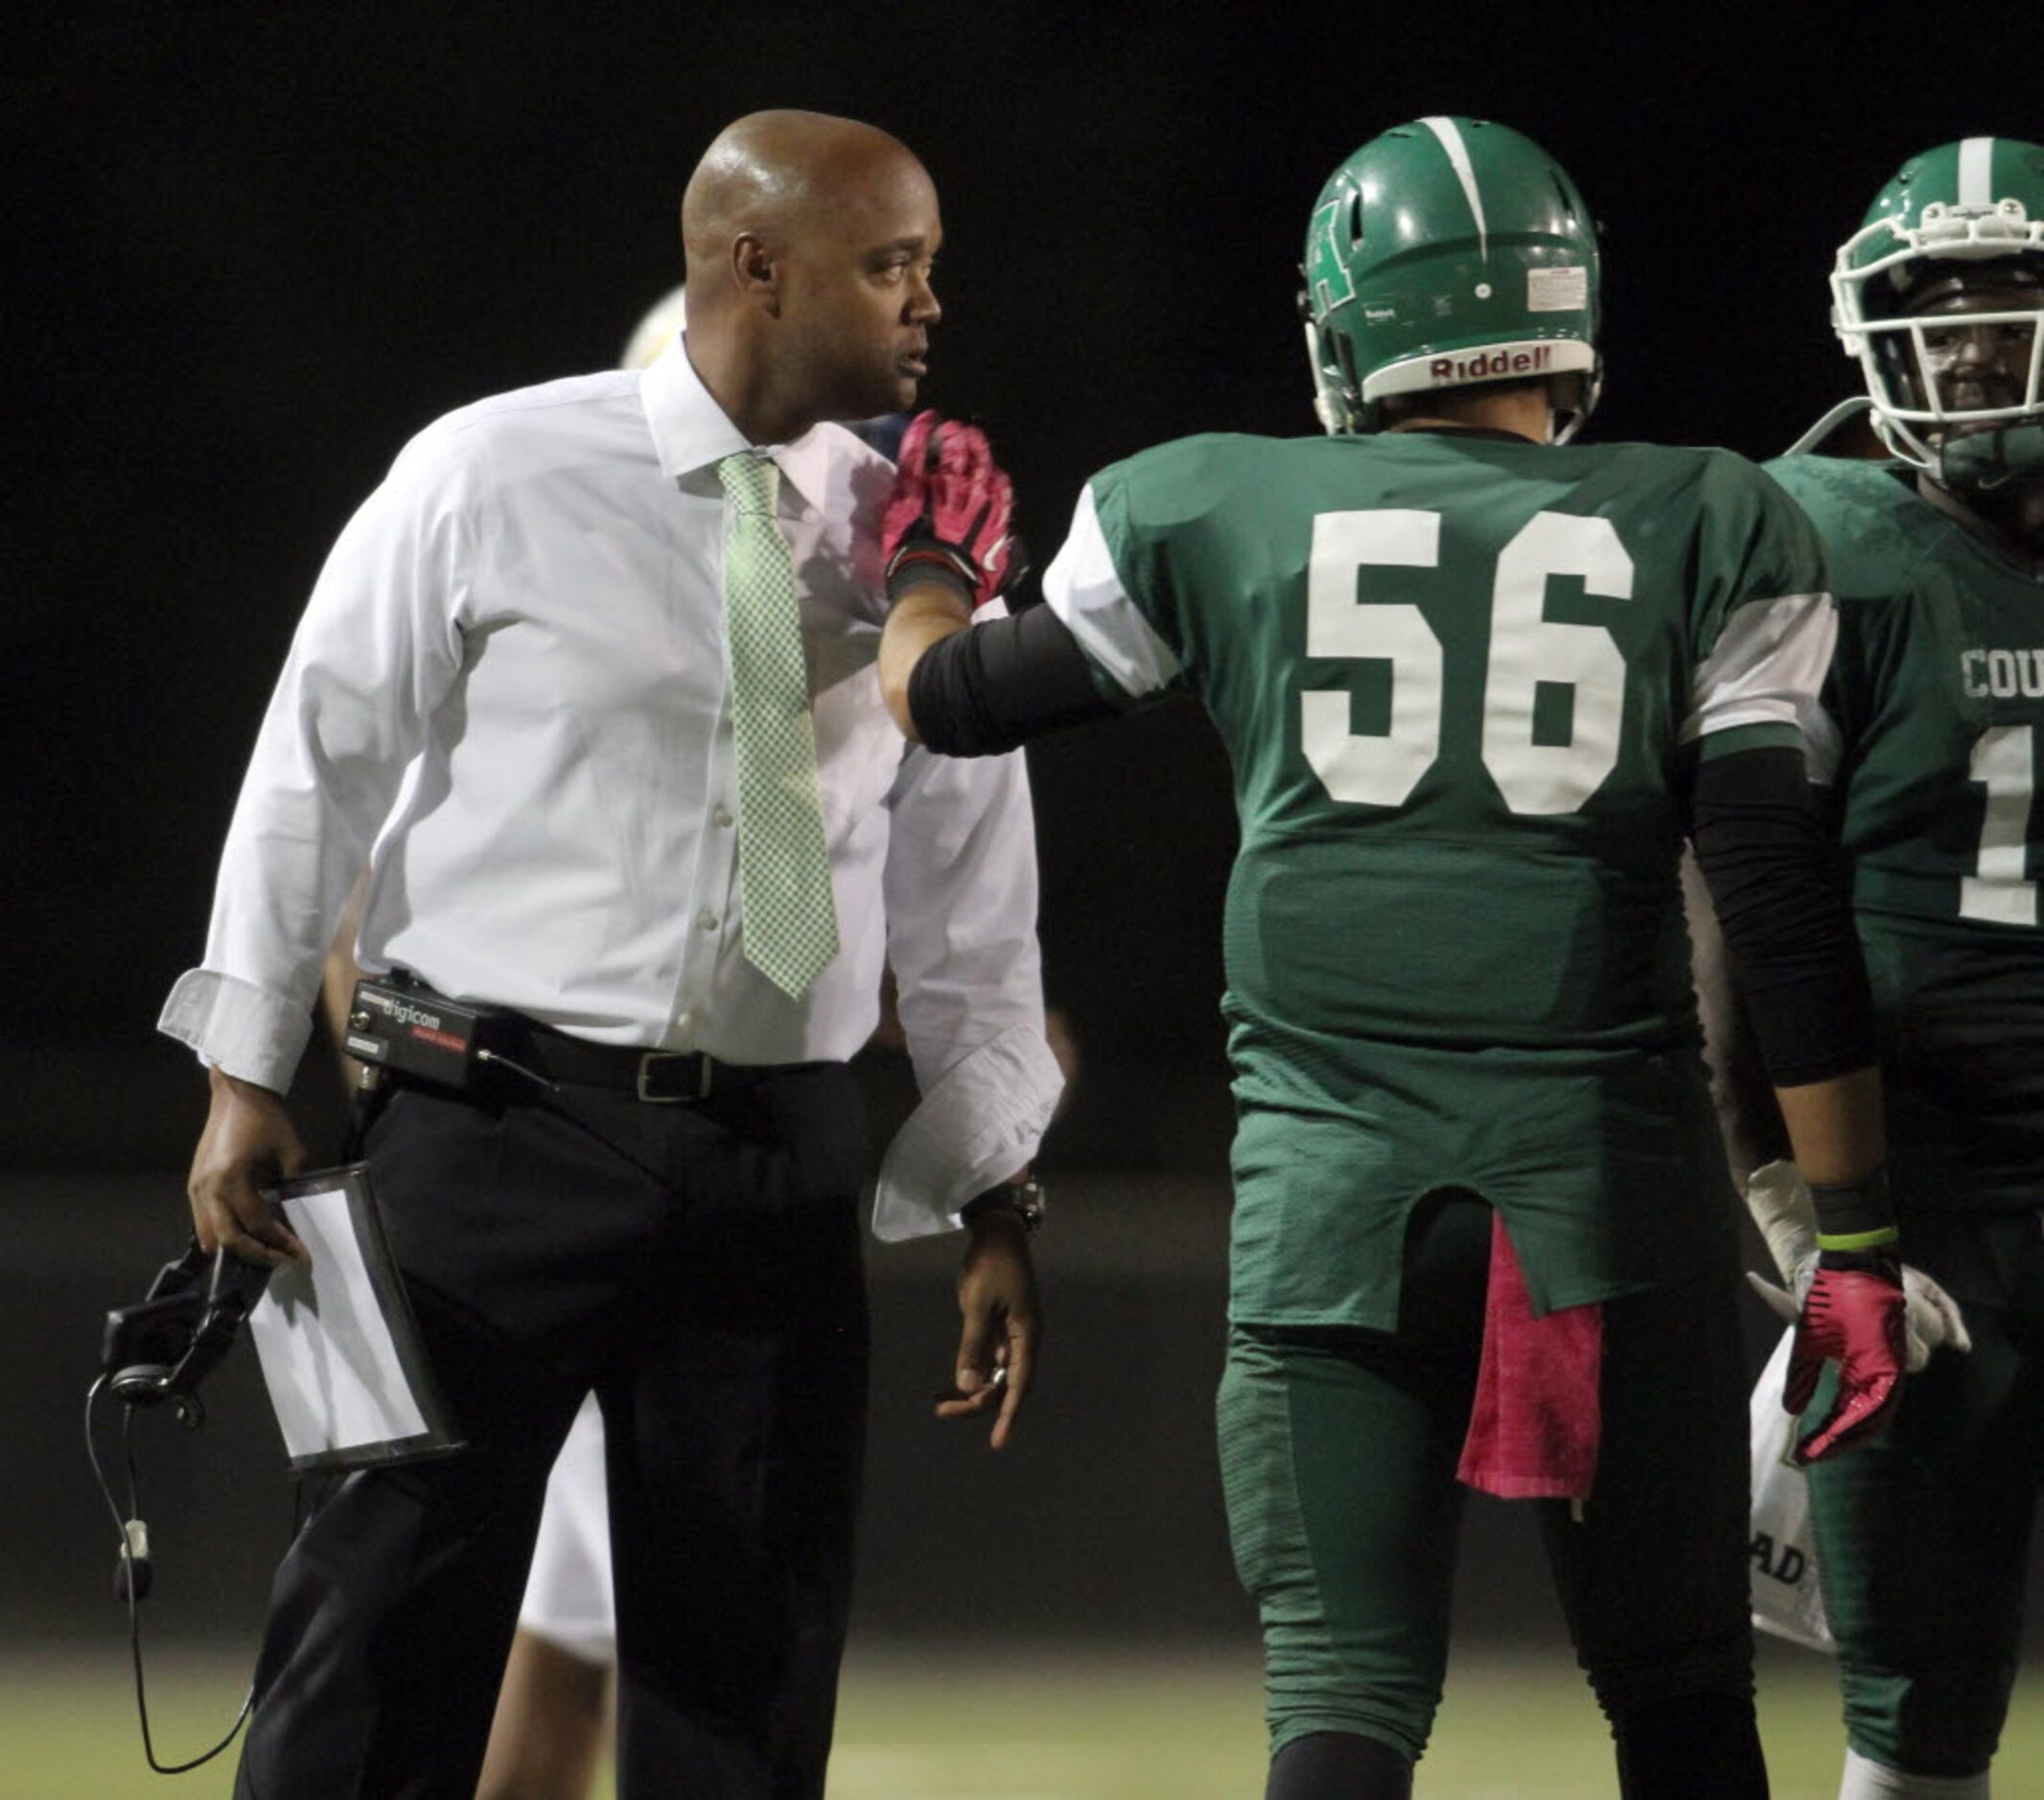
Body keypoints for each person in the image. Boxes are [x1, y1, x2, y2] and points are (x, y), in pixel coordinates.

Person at [874, 116, 1909, 1799]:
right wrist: (1851, 1233)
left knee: (1346, 1689)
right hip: (1607, 1191)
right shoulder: (1706, 515)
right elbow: (1779, 904)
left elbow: (953, 703)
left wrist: (927, 570)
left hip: (1339, 1199)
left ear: (1352, 325)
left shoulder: (1208, 501)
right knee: (1680, 1691)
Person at [159, 109, 1063, 1800]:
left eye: (930, 264)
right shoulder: (489, 469)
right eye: (891, 265)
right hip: (484, 1127)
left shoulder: (920, 544)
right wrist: (239, 1070)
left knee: (745, 1683)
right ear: (755, 265)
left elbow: (969, 897)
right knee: (376, 1646)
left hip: (775, 1157)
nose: (929, 303)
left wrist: (997, 1181)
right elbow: (317, 757)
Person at [1739, 136, 2044, 1800]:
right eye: (1939, 327)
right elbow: (1743, 924)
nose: (1971, 365)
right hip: (1925, 1214)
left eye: (2007, 323)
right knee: (1920, 1714)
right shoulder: (1823, 543)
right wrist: (1799, 1210)